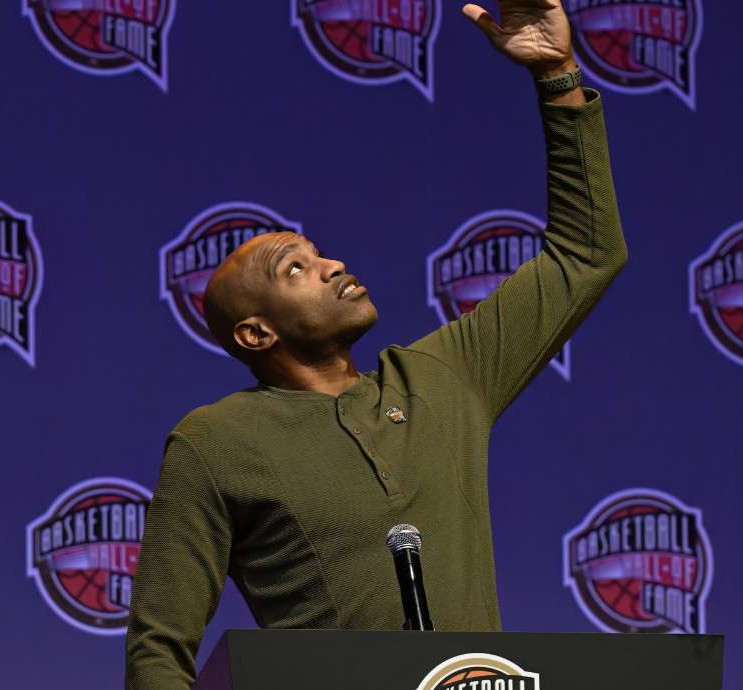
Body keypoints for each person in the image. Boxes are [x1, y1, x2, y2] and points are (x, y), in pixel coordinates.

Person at [125, 2, 627, 687]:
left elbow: (584, 254)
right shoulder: (214, 444)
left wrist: (557, 75)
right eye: (295, 269)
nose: (331, 265)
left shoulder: (443, 378)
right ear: (255, 332)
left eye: (321, 252)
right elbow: (159, 649)